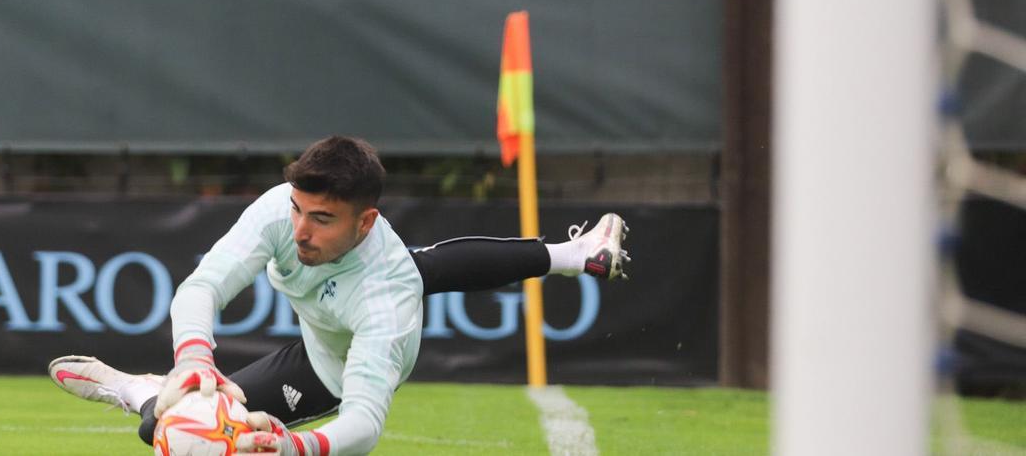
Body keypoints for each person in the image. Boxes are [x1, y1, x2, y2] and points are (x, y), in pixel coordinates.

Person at [49, 136, 630, 455]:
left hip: (336, 362)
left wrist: (294, 447)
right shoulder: (283, 209)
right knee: (181, 416)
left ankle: (138, 393)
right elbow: (203, 285)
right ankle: (577, 255)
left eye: (322, 219)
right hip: (322, 320)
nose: (301, 231)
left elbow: (365, 423)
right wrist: (196, 358)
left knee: (169, 433)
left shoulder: (387, 301)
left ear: (366, 221)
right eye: (299, 210)